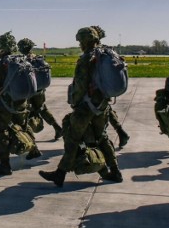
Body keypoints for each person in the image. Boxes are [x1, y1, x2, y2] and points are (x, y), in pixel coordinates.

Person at [39, 27, 122, 187]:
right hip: (102, 104)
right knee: (102, 137)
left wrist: (75, 102)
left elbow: (81, 84)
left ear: (84, 41)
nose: (80, 44)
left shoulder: (86, 59)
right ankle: (115, 172)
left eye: (80, 41)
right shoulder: (102, 55)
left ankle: (60, 173)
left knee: (71, 136)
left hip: (86, 106)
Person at [0, 32, 42, 176]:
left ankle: (4, 165)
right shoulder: (22, 60)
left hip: (5, 104)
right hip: (22, 102)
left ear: (2, 48)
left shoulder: (2, 64)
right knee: (23, 125)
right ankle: (34, 150)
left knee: (0, 131)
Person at [90, 26, 130, 148]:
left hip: (96, 90)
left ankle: (104, 145)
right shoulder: (105, 51)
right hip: (103, 89)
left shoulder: (95, 52)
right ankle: (121, 133)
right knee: (107, 110)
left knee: (98, 117)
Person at [17, 37, 63, 141]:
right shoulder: (37, 58)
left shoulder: (22, 59)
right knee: (42, 109)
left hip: (28, 91)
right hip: (40, 90)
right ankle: (57, 128)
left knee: (23, 112)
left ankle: (27, 138)